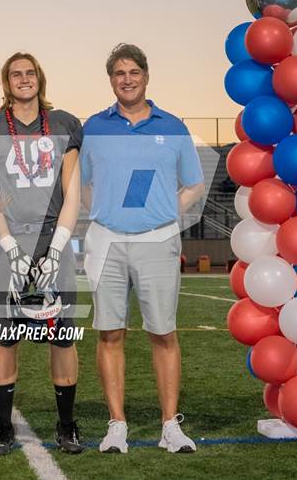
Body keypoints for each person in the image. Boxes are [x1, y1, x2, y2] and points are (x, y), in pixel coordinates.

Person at [80, 43, 205, 454]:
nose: (127, 79)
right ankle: (117, 425)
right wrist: (101, 213)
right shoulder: (95, 127)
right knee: (109, 333)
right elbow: (80, 185)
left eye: (133, 72)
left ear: (146, 76)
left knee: (163, 333)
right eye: (119, 73)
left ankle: (170, 425)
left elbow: (194, 185)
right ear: (111, 79)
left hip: (158, 240)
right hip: (107, 241)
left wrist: (167, 215)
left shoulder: (173, 126)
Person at [0, 52, 83, 455]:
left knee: (62, 335)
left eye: (29, 72)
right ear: (6, 82)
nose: (23, 79)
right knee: (6, 334)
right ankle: (3, 427)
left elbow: (73, 193)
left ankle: (67, 425)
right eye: (15, 74)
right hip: (8, 239)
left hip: (54, 236)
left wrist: (55, 249)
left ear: (40, 78)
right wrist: (10, 247)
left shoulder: (65, 123)